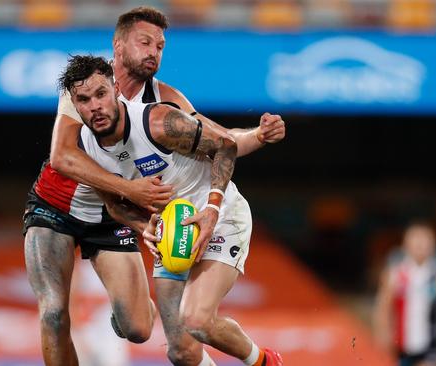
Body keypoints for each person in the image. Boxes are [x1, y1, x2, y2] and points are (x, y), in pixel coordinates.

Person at [23, 7, 286, 366]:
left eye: (160, 46)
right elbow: (63, 157)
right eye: (145, 42)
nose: (153, 52)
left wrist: (258, 134)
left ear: (114, 91)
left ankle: (265, 361)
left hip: (200, 214)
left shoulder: (163, 108)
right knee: (177, 349)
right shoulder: (85, 85)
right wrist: (136, 208)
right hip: (68, 206)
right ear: (118, 46)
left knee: (158, 326)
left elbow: (222, 142)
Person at [374, 221, 436, 366]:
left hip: (430, 343)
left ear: (433, 245)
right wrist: (382, 332)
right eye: (416, 240)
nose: (420, 245)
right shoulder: (396, 274)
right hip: (403, 343)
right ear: (405, 245)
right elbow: (383, 307)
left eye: (425, 240)